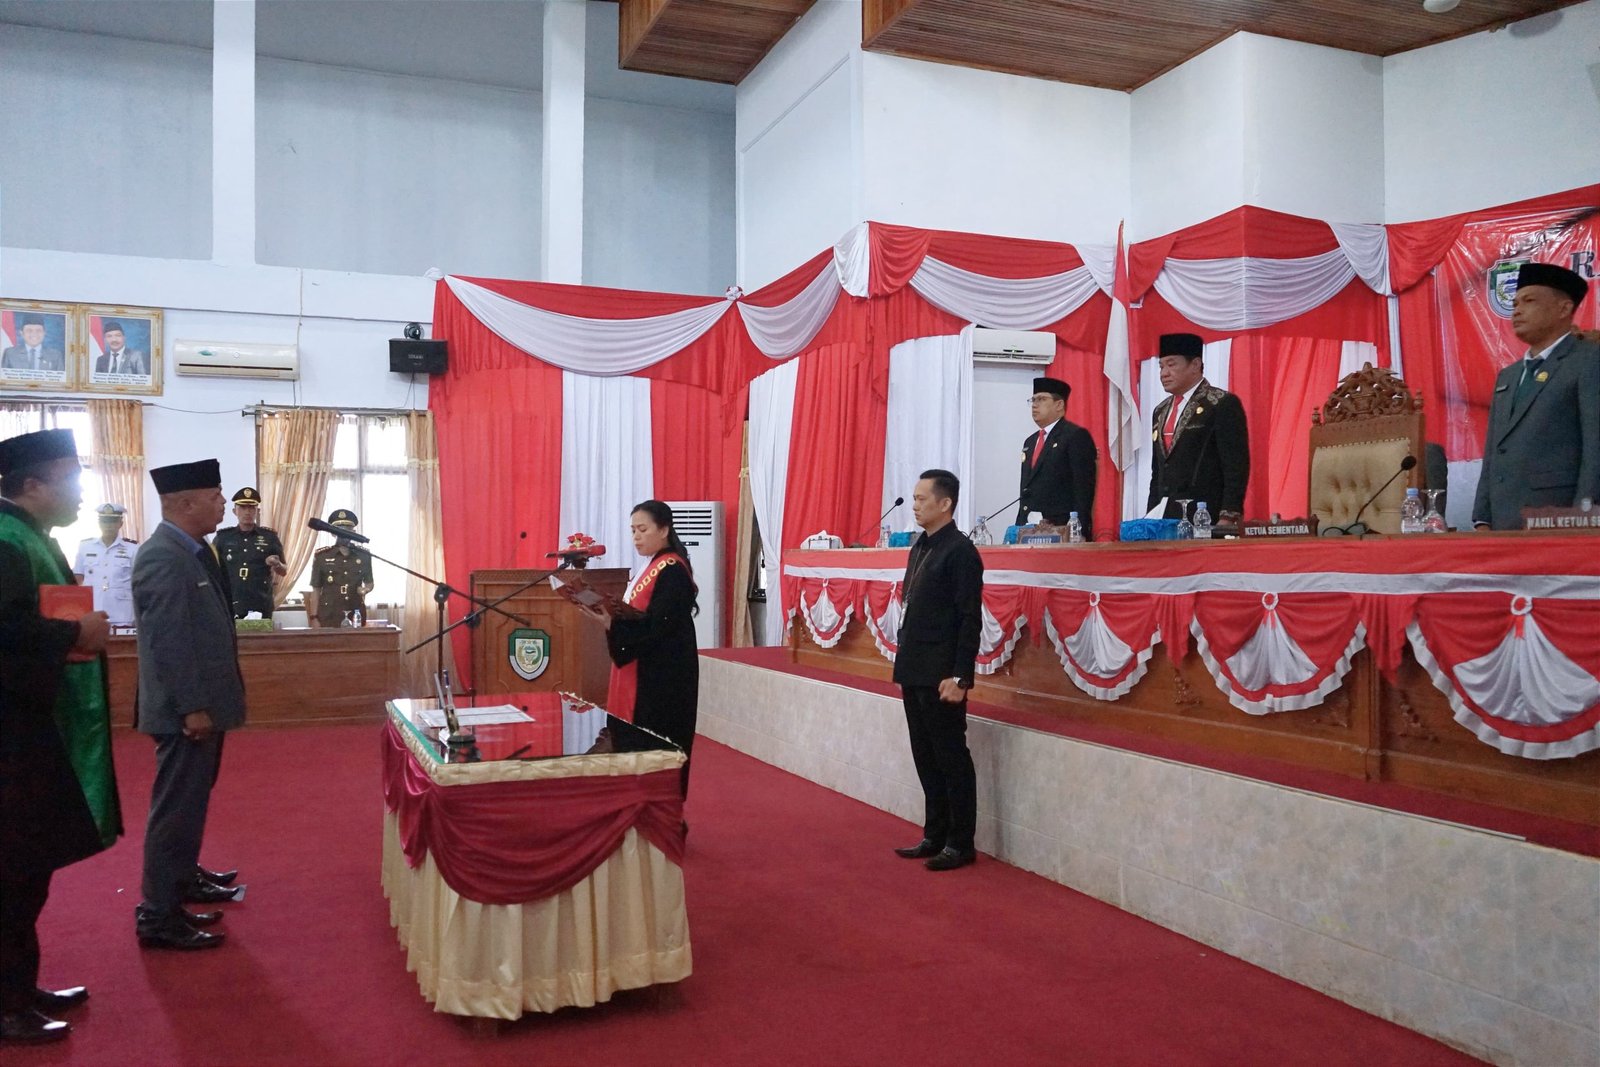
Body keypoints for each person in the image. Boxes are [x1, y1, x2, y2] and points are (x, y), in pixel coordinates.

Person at [0, 429, 120, 1044]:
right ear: (32, 484)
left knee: (27, 868)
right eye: (71, 481)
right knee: (13, 871)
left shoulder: (33, 537)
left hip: (34, 726)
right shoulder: (6, 541)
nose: (80, 494)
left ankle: (20, 986)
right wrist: (75, 635)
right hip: (12, 737)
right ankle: (7, 1004)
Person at [132, 458, 246, 951]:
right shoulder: (163, 556)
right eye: (215, 496)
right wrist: (192, 706)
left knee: (191, 803)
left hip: (200, 708)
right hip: (185, 713)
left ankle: (182, 879)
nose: (224, 504)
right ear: (185, 503)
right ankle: (159, 913)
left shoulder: (194, 551)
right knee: (176, 809)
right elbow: (169, 641)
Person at [892, 470, 983, 872]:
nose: (915, 506)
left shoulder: (960, 552)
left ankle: (961, 843)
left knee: (950, 757)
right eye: (913, 498)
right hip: (914, 667)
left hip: (943, 673)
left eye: (921, 499)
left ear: (945, 504)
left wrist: (961, 676)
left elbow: (969, 619)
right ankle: (935, 833)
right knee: (925, 755)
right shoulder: (921, 546)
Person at [581, 500, 700, 800]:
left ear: (664, 529)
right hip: (642, 669)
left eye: (643, 529)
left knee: (655, 748)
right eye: (633, 530)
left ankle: (659, 814)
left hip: (661, 679)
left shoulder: (671, 569)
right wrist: (610, 620)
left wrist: (614, 624)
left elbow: (660, 626)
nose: (636, 537)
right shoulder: (651, 566)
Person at [1472, 262, 1599, 530]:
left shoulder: (1588, 361)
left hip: (1559, 521)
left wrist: (1584, 518)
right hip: (1503, 523)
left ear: (1563, 309)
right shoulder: (1508, 376)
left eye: (1529, 301)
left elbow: (1595, 446)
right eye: (1515, 303)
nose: (1517, 310)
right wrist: (1482, 517)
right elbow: (1495, 450)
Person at [1146, 332, 1250, 524]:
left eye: (1171, 364)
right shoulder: (1160, 411)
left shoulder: (1220, 403)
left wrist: (1228, 516)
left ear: (1195, 365)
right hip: (1165, 519)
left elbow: (1236, 467)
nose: (1163, 373)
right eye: (1161, 366)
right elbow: (1158, 472)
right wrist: (1150, 518)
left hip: (1205, 516)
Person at [1016, 375, 1098, 535]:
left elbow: (1083, 490)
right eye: (1033, 400)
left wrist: (1078, 532)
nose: (1035, 405)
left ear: (1059, 404)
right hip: (1029, 531)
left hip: (1060, 530)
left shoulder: (1075, 436)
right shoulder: (1030, 442)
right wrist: (1020, 525)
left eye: (1041, 399)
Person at [213, 487, 287, 619]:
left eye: (251, 508)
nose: (247, 512)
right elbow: (211, 568)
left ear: (257, 511)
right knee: (231, 633)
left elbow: (283, 570)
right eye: (242, 507)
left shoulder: (269, 537)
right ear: (234, 511)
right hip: (230, 602)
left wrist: (276, 564)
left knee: (260, 633)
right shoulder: (223, 537)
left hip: (260, 603)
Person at [73, 503, 137, 627]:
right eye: (105, 521)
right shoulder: (85, 547)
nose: (108, 525)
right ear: (99, 523)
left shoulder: (133, 548)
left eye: (113, 521)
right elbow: (78, 579)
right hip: (92, 611)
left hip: (123, 614)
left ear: (120, 523)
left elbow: (138, 582)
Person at [310, 509, 374, 626]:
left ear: (353, 532)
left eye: (348, 530)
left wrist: (366, 590)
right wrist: (313, 617)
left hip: (355, 613)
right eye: (340, 530)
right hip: (329, 614)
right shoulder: (321, 557)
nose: (344, 534)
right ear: (333, 533)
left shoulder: (363, 556)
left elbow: (369, 583)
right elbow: (316, 589)